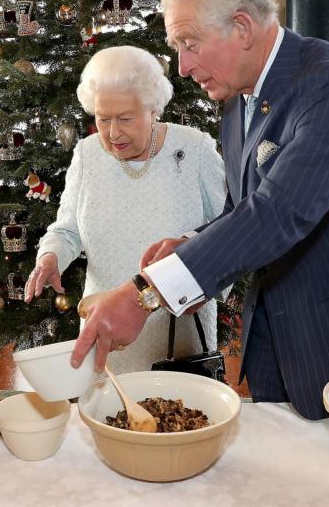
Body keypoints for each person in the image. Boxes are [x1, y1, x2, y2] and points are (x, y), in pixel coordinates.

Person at [70, 0, 329, 420]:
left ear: (242, 28)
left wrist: (145, 293)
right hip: (279, 339)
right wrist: (193, 243)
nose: (182, 67)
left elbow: (277, 213)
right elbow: (243, 209)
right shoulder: (239, 100)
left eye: (189, 44)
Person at [24, 45, 226, 373]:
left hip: (177, 335)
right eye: (103, 119)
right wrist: (51, 258)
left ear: (153, 109)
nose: (113, 133)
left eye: (126, 118)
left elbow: (228, 232)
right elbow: (67, 230)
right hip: (105, 328)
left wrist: (206, 283)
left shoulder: (195, 149)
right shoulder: (87, 155)